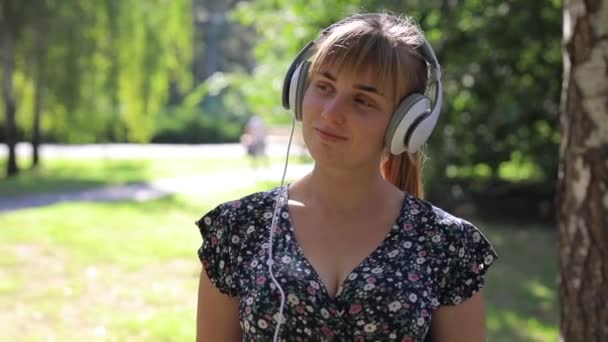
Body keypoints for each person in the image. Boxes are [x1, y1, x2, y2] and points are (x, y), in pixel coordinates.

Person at [196, 12, 497, 342]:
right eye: (324, 86)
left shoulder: (448, 246)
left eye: (362, 100)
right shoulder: (237, 229)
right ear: (298, 92)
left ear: (406, 125)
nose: (330, 113)